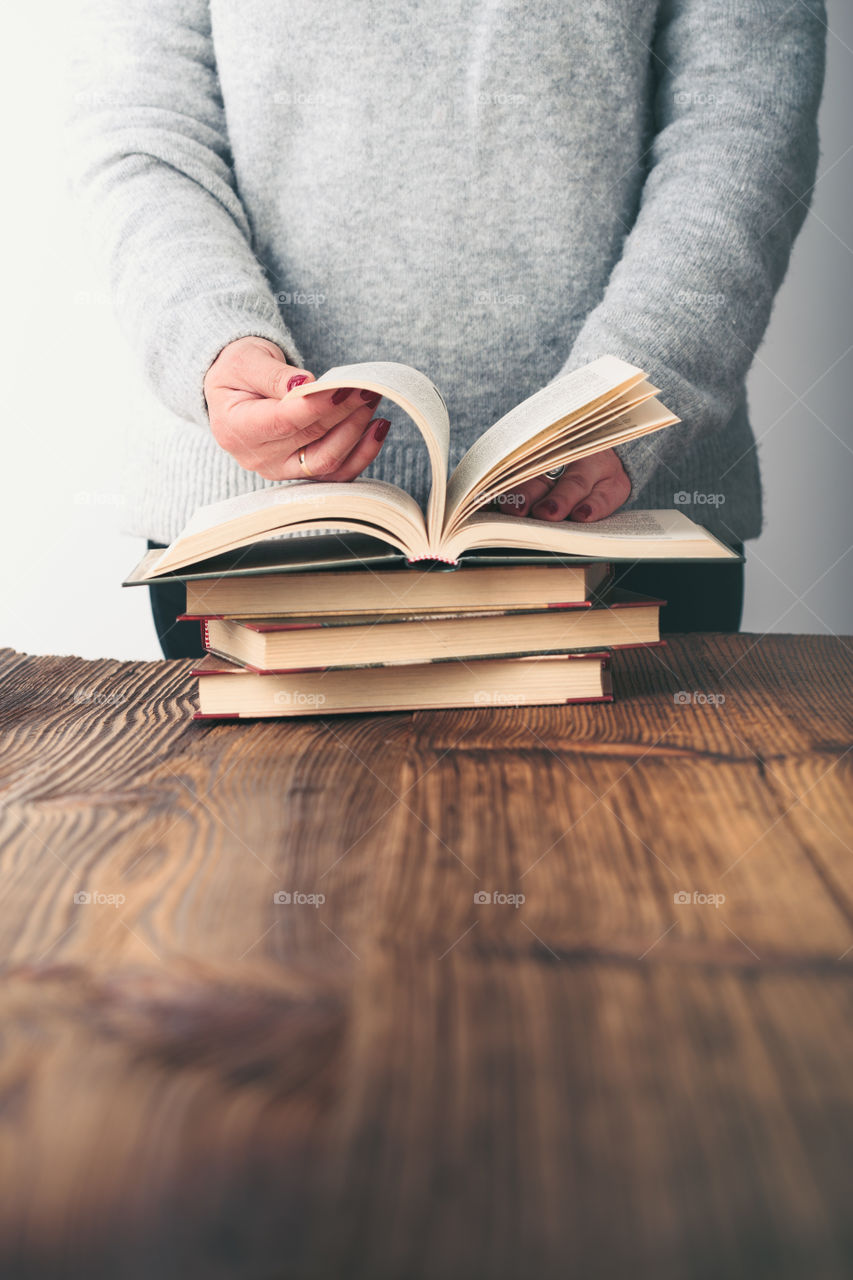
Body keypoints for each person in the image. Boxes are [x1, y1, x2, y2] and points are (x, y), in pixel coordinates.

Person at [67, 1, 826, 657]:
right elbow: (142, 128)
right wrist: (214, 340)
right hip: (254, 532)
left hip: (624, 521)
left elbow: (745, 115)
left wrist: (630, 392)